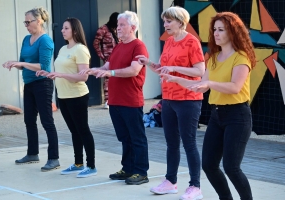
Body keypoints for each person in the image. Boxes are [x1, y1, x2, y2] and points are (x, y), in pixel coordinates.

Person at [160, 12, 256, 200]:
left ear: (233, 32)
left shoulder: (241, 57)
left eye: (221, 30)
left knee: (231, 167)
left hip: (238, 116)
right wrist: (175, 78)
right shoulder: (213, 57)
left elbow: (235, 87)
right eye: (214, 29)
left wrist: (210, 84)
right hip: (217, 115)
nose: (216, 33)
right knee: (209, 165)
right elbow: (200, 86)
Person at [136, 6, 205, 200]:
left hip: (188, 99)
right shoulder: (169, 42)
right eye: (164, 21)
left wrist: (174, 68)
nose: (165, 24)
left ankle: (195, 186)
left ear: (181, 22)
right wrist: (148, 63)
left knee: (189, 143)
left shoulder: (192, 42)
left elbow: (199, 71)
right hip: (168, 99)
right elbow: (163, 70)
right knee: (171, 143)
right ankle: (170, 182)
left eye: (168, 21)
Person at [79, 10, 149, 185]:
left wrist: (109, 72)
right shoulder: (119, 45)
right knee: (124, 137)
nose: (118, 28)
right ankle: (128, 168)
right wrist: (98, 70)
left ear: (132, 27)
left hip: (130, 100)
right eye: (117, 25)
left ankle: (141, 172)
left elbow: (134, 70)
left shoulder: (138, 46)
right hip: (116, 100)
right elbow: (110, 64)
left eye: (122, 25)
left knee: (137, 138)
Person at [36, 18, 97, 178]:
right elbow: (61, 71)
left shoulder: (81, 49)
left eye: (66, 28)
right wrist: (48, 74)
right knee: (74, 131)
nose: (62, 31)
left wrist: (61, 74)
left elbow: (83, 77)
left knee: (83, 130)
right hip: (63, 96)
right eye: (62, 28)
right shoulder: (63, 49)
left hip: (77, 96)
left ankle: (91, 166)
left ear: (75, 31)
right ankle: (78, 164)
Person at [2, 7, 60, 172]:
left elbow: (43, 66)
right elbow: (23, 63)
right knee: (29, 120)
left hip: (43, 84)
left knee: (47, 121)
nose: (26, 25)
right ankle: (32, 153)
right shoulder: (26, 39)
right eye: (25, 22)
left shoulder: (46, 40)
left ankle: (54, 158)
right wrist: (14, 63)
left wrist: (22, 64)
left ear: (39, 21)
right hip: (29, 84)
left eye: (29, 22)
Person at [93, 12, 119, 109]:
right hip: (108, 58)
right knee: (107, 79)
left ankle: (117, 99)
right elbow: (96, 43)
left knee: (119, 77)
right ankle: (107, 100)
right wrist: (102, 56)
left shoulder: (117, 30)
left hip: (119, 57)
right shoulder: (103, 29)